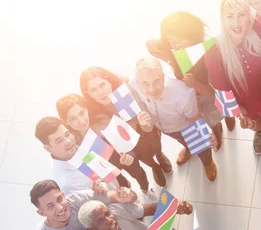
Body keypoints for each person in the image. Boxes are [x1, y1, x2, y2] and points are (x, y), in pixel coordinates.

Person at [205, 0, 261, 156]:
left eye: (241, 15)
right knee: (257, 124)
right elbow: (221, 89)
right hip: (248, 103)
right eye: (230, 16)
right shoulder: (214, 50)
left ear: (249, 15)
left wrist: (260, 8)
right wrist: (239, 112)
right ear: (222, 19)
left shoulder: (256, 28)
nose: (236, 23)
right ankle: (259, 133)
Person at [80, 66, 172, 194]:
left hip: (146, 131)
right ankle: (154, 166)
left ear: (109, 81)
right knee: (144, 156)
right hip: (130, 143)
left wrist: (144, 123)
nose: (100, 92)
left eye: (102, 85)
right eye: (93, 90)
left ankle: (160, 156)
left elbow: (149, 123)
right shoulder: (94, 114)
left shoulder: (126, 90)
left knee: (156, 146)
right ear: (88, 93)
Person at [146, 10, 234, 138]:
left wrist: (194, 84)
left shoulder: (208, 54)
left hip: (208, 94)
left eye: (179, 39)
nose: (175, 44)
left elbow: (213, 93)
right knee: (205, 118)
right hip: (192, 97)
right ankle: (216, 129)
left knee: (217, 111)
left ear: (191, 35)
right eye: (170, 39)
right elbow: (149, 44)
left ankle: (227, 117)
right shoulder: (170, 47)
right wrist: (168, 59)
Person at [130, 57, 218, 182]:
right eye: (145, 84)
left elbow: (193, 116)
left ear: (164, 77)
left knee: (202, 148)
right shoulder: (133, 83)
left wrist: (206, 133)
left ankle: (208, 163)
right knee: (182, 141)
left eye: (156, 81)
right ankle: (188, 148)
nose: (152, 89)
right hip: (162, 127)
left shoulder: (182, 93)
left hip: (185, 127)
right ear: (138, 83)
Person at [56, 94, 151, 193]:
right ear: (65, 121)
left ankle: (146, 190)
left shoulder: (102, 121)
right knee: (122, 184)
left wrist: (130, 155)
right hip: (107, 170)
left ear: (86, 109)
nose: (81, 121)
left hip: (124, 158)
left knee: (138, 173)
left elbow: (127, 139)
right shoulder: (74, 142)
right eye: (73, 118)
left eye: (82, 113)